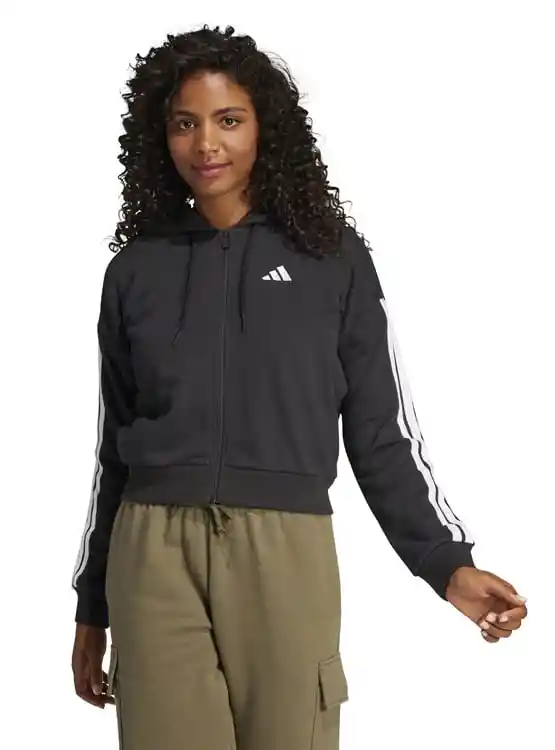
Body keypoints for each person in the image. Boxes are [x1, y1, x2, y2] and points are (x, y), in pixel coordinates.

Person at [70, 24, 528, 750]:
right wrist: (92, 603)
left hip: (284, 548)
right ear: (161, 136)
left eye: (228, 120)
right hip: (151, 553)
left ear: (265, 127)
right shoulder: (135, 270)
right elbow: (113, 452)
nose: (206, 144)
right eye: (184, 124)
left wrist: (445, 563)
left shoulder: (330, 258)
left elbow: (380, 430)